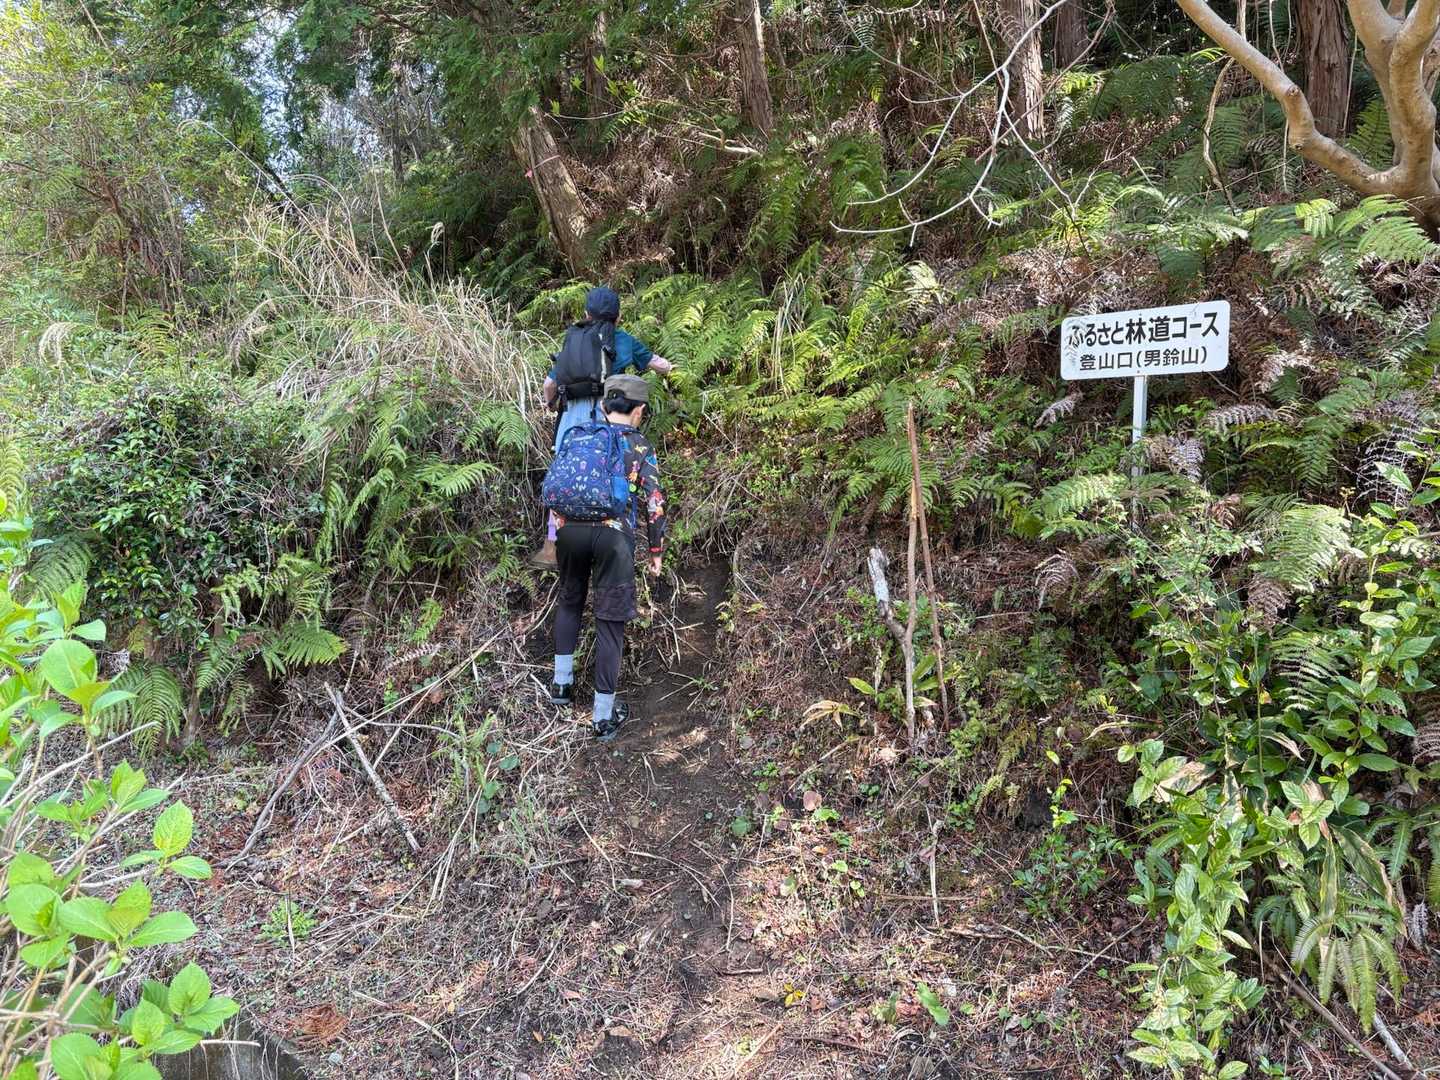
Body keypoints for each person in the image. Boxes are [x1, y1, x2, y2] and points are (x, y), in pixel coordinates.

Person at [548, 373, 666, 739]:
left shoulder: (580, 436)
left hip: (569, 532)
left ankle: (561, 686)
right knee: (609, 621)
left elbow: (558, 487)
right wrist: (656, 550)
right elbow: (655, 501)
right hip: (613, 538)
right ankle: (602, 717)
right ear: (639, 410)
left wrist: (557, 534)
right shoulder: (639, 445)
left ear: (603, 406)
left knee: (570, 601)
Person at [531, 286, 673, 571]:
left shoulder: (574, 340)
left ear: (586, 313)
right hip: (607, 416)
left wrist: (551, 405)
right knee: (609, 470)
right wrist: (671, 368)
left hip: (572, 420)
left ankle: (551, 547)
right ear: (618, 317)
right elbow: (657, 363)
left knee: (564, 471)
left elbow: (549, 385)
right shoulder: (624, 340)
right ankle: (604, 535)